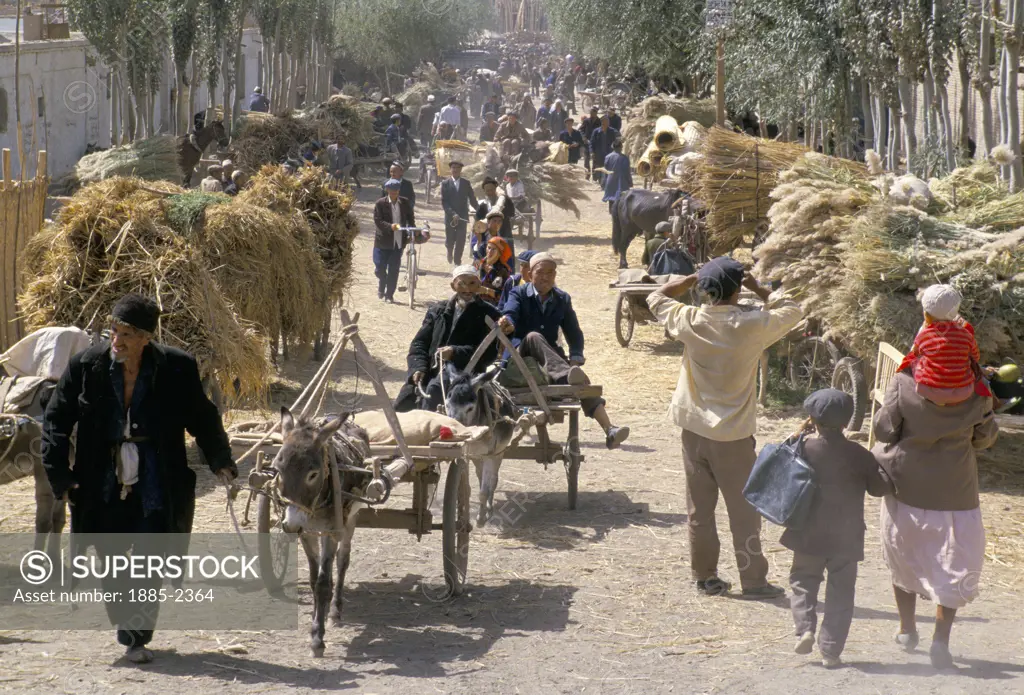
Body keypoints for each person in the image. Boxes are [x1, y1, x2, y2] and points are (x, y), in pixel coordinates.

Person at [42, 293, 237, 664]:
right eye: (114, 329)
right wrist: (60, 474)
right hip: (102, 475)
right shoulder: (86, 365)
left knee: (150, 555)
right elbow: (56, 419)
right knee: (111, 555)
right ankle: (126, 625)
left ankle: (138, 635)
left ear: (147, 337)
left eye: (128, 334)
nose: (117, 339)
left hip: (155, 475)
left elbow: (203, 417)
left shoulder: (177, 368)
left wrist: (221, 460)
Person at [647, 257, 804, 598]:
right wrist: (759, 288)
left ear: (705, 290)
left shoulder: (689, 320)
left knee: (699, 510)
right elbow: (793, 309)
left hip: (693, 431)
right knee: (744, 512)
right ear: (737, 289)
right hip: (733, 435)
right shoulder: (752, 326)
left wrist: (692, 277)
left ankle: (705, 576)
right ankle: (753, 581)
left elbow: (657, 297)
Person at [872, 355, 999, 669]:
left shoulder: (903, 382)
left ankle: (906, 629)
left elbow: (885, 430)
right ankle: (940, 642)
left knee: (905, 557)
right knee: (953, 565)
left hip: (907, 487)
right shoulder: (978, 389)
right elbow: (984, 439)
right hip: (956, 491)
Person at [783, 389, 892, 669]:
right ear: (847, 422)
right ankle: (830, 651)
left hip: (808, 532)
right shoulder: (858, 454)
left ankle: (805, 628)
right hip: (846, 536)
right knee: (841, 592)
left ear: (812, 418)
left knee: (803, 581)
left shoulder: (803, 447)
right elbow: (879, 489)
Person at [498, 253, 629, 449]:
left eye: (550, 273)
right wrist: (507, 323)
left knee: (581, 381)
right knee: (534, 337)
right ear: (529, 274)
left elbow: (574, 333)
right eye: (540, 272)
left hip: (550, 361)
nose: (545, 277)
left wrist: (575, 360)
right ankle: (568, 376)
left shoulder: (562, 299)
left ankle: (609, 429)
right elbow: (510, 313)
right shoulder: (518, 294)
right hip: (521, 356)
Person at [393, 266, 502, 413]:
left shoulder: (489, 314)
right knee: (402, 406)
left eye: (472, 283)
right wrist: (418, 368)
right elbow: (420, 343)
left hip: (465, 375)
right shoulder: (438, 310)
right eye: (461, 283)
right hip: (431, 370)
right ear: (453, 286)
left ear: (479, 285)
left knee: (434, 390)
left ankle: (430, 430)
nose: (467, 289)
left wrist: (454, 352)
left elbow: (489, 354)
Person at [896, 284, 991, 405]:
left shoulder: (924, 335)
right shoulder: (966, 332)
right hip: (963, 391)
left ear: (926, 315)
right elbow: (975, 358)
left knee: (913, 363)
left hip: (927, 390)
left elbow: (914, 354)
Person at [372, 178, 417, 302]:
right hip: (382, 242)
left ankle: (389, 295)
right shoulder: (380, 203)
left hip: (398, 242)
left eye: (396, 191)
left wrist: (412, 228)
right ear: (387, 190)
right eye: (391, 191)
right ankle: (382, 282)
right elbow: (378, 221)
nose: (394, 193)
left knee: (394, 268)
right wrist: (390, 226)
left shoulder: (405, 202)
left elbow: (410, 217)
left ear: (399, 191)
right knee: (380, 267)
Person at [440, 160, 479, 265]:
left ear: (461, 170)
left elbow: (472, 199)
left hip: (462, 217)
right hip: (450, 217)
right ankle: (449, 251)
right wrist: (452, 214)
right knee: (450, 239)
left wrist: (480, 210)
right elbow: (444, 202)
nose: (455, 170)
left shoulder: (466, 183)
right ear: (450, 169)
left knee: (461, 241)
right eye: (453, 168)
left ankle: (457, 261)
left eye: (457, 168)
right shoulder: (445, 184)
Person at [476, 176, 517, 260]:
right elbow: (478, 221)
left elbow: (512, 213)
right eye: (487, 190)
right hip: (487, 235)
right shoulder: (482, 205)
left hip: (504, 232)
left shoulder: (505, 201)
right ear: (484, 191)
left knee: (507, 255)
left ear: (496, 190)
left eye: (492, 190)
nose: (490, 192)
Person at [477, 234, 513, 306]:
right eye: (489, 248)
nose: (490, 251)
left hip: (493, 306)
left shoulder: (502, 271)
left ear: (500, 253)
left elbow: (501, 296)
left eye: (494, 249)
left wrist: (486, 290)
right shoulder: (482, 263)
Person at [602, 139, 632, 212]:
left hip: (610, 180)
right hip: (622, 182)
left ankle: (612, 215)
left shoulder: (608, 157)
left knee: (611, 200)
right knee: (622, 200)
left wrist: (603, 182)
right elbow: (627, 172)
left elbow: (605, 171)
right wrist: (630, 181)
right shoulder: (625, 158)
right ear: (621, 147)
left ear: (613, 147)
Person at [590, 115, 620, 184]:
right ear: (602, 123)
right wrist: (592, 152)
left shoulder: (612, 131)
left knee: (608, 168)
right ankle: (600, 180)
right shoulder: (596, 131)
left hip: (608, 153)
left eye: (607, 122)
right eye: (605, 122)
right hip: (598, 154)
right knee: (599, 168)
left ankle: (605, 182)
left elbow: (618, 137)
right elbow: (592, 143)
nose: (606, 123)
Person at [580, 106, 601, 172]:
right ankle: (587, 173)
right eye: (591, 112)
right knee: (586, 159)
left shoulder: (600, 121)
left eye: (593, 112)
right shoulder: (586, 121)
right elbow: (581, 130)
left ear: (596, 113)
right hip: (587, 143)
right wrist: (584, 138)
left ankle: (595, 175)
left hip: (596, 144)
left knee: (595, 160)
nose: (592, 114)